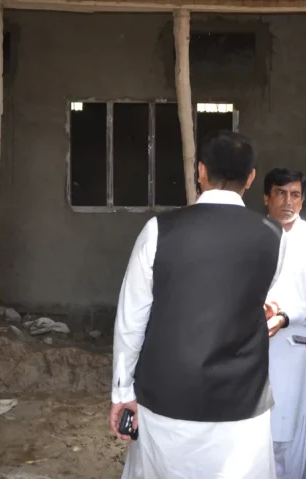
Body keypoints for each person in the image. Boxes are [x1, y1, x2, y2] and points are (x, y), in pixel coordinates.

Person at [110, 131, 286, 479]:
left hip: (168, 394)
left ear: (200, 171)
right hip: (242, 399)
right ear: (251, 178)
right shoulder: (273, 235)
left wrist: (122, 391)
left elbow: (131, 319)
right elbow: (256, 295)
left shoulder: (159, 230)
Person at [262, 168, 306, 479]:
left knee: (289, 428)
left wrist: (286, 316)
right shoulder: (254, 235)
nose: (288, 201)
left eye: (295, 195)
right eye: (280, 193)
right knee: (257, 429)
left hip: (295, 347)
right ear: (267, 198)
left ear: (303, 202)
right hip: (254, 343)